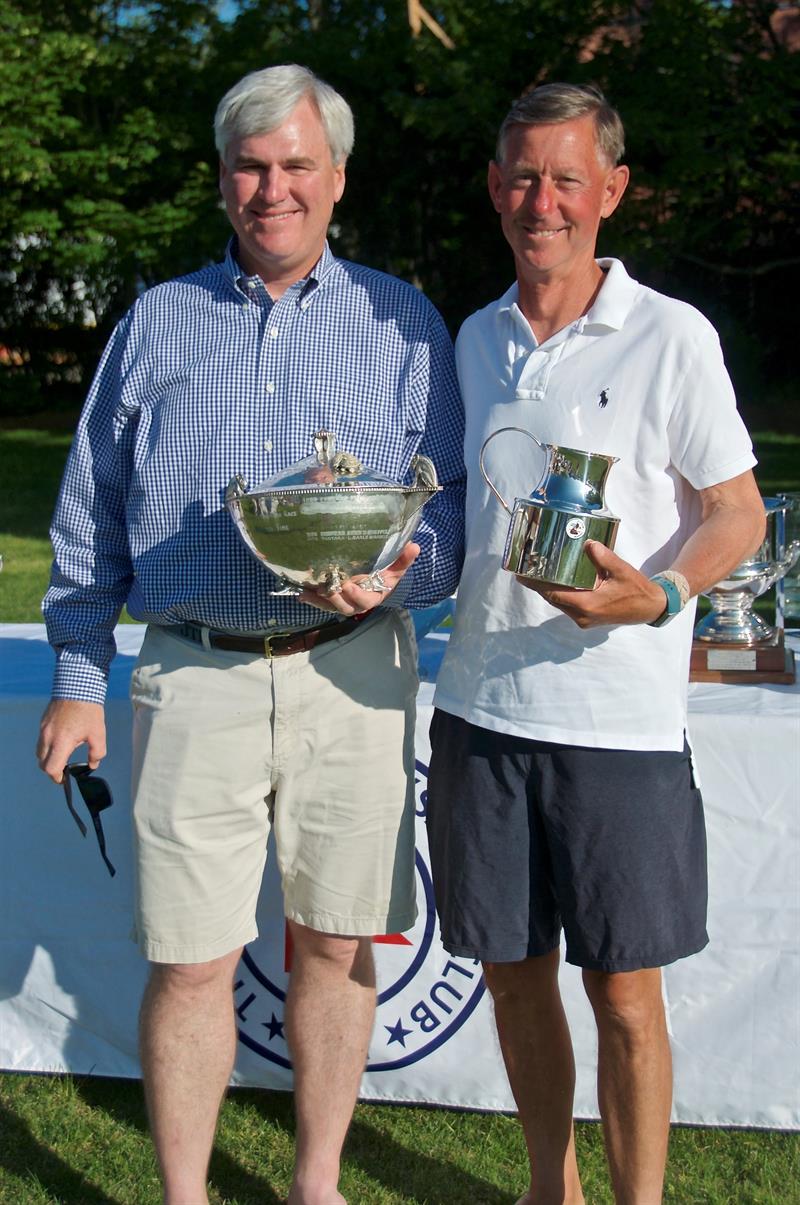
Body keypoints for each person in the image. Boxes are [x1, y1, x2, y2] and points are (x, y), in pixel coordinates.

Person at [36, 64, 464, 1205]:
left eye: (294, 165)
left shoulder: (400, 317)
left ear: (336, 177)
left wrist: (400, 583)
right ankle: (186, 1194)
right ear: (224, 179)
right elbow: (86, 509)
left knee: (333, 944)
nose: (271, 188)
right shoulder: (156, 319)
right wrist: (79, 673)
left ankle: (315, 1182)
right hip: (193, 669)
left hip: (354, 676)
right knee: (191, 960)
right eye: (249, 165)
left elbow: (452, 503)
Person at [425, 83, 765, 1205]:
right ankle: (547, 1188)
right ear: (492, 186)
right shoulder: (471, 339)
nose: (541, 201)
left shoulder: (671, 333)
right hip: (478, 709)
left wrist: (659, 596)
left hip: (614, 725)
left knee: (623, 993)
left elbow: (736, 510)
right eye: (521, 175)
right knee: (513, 978)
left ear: (610, 191)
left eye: (566, 178)